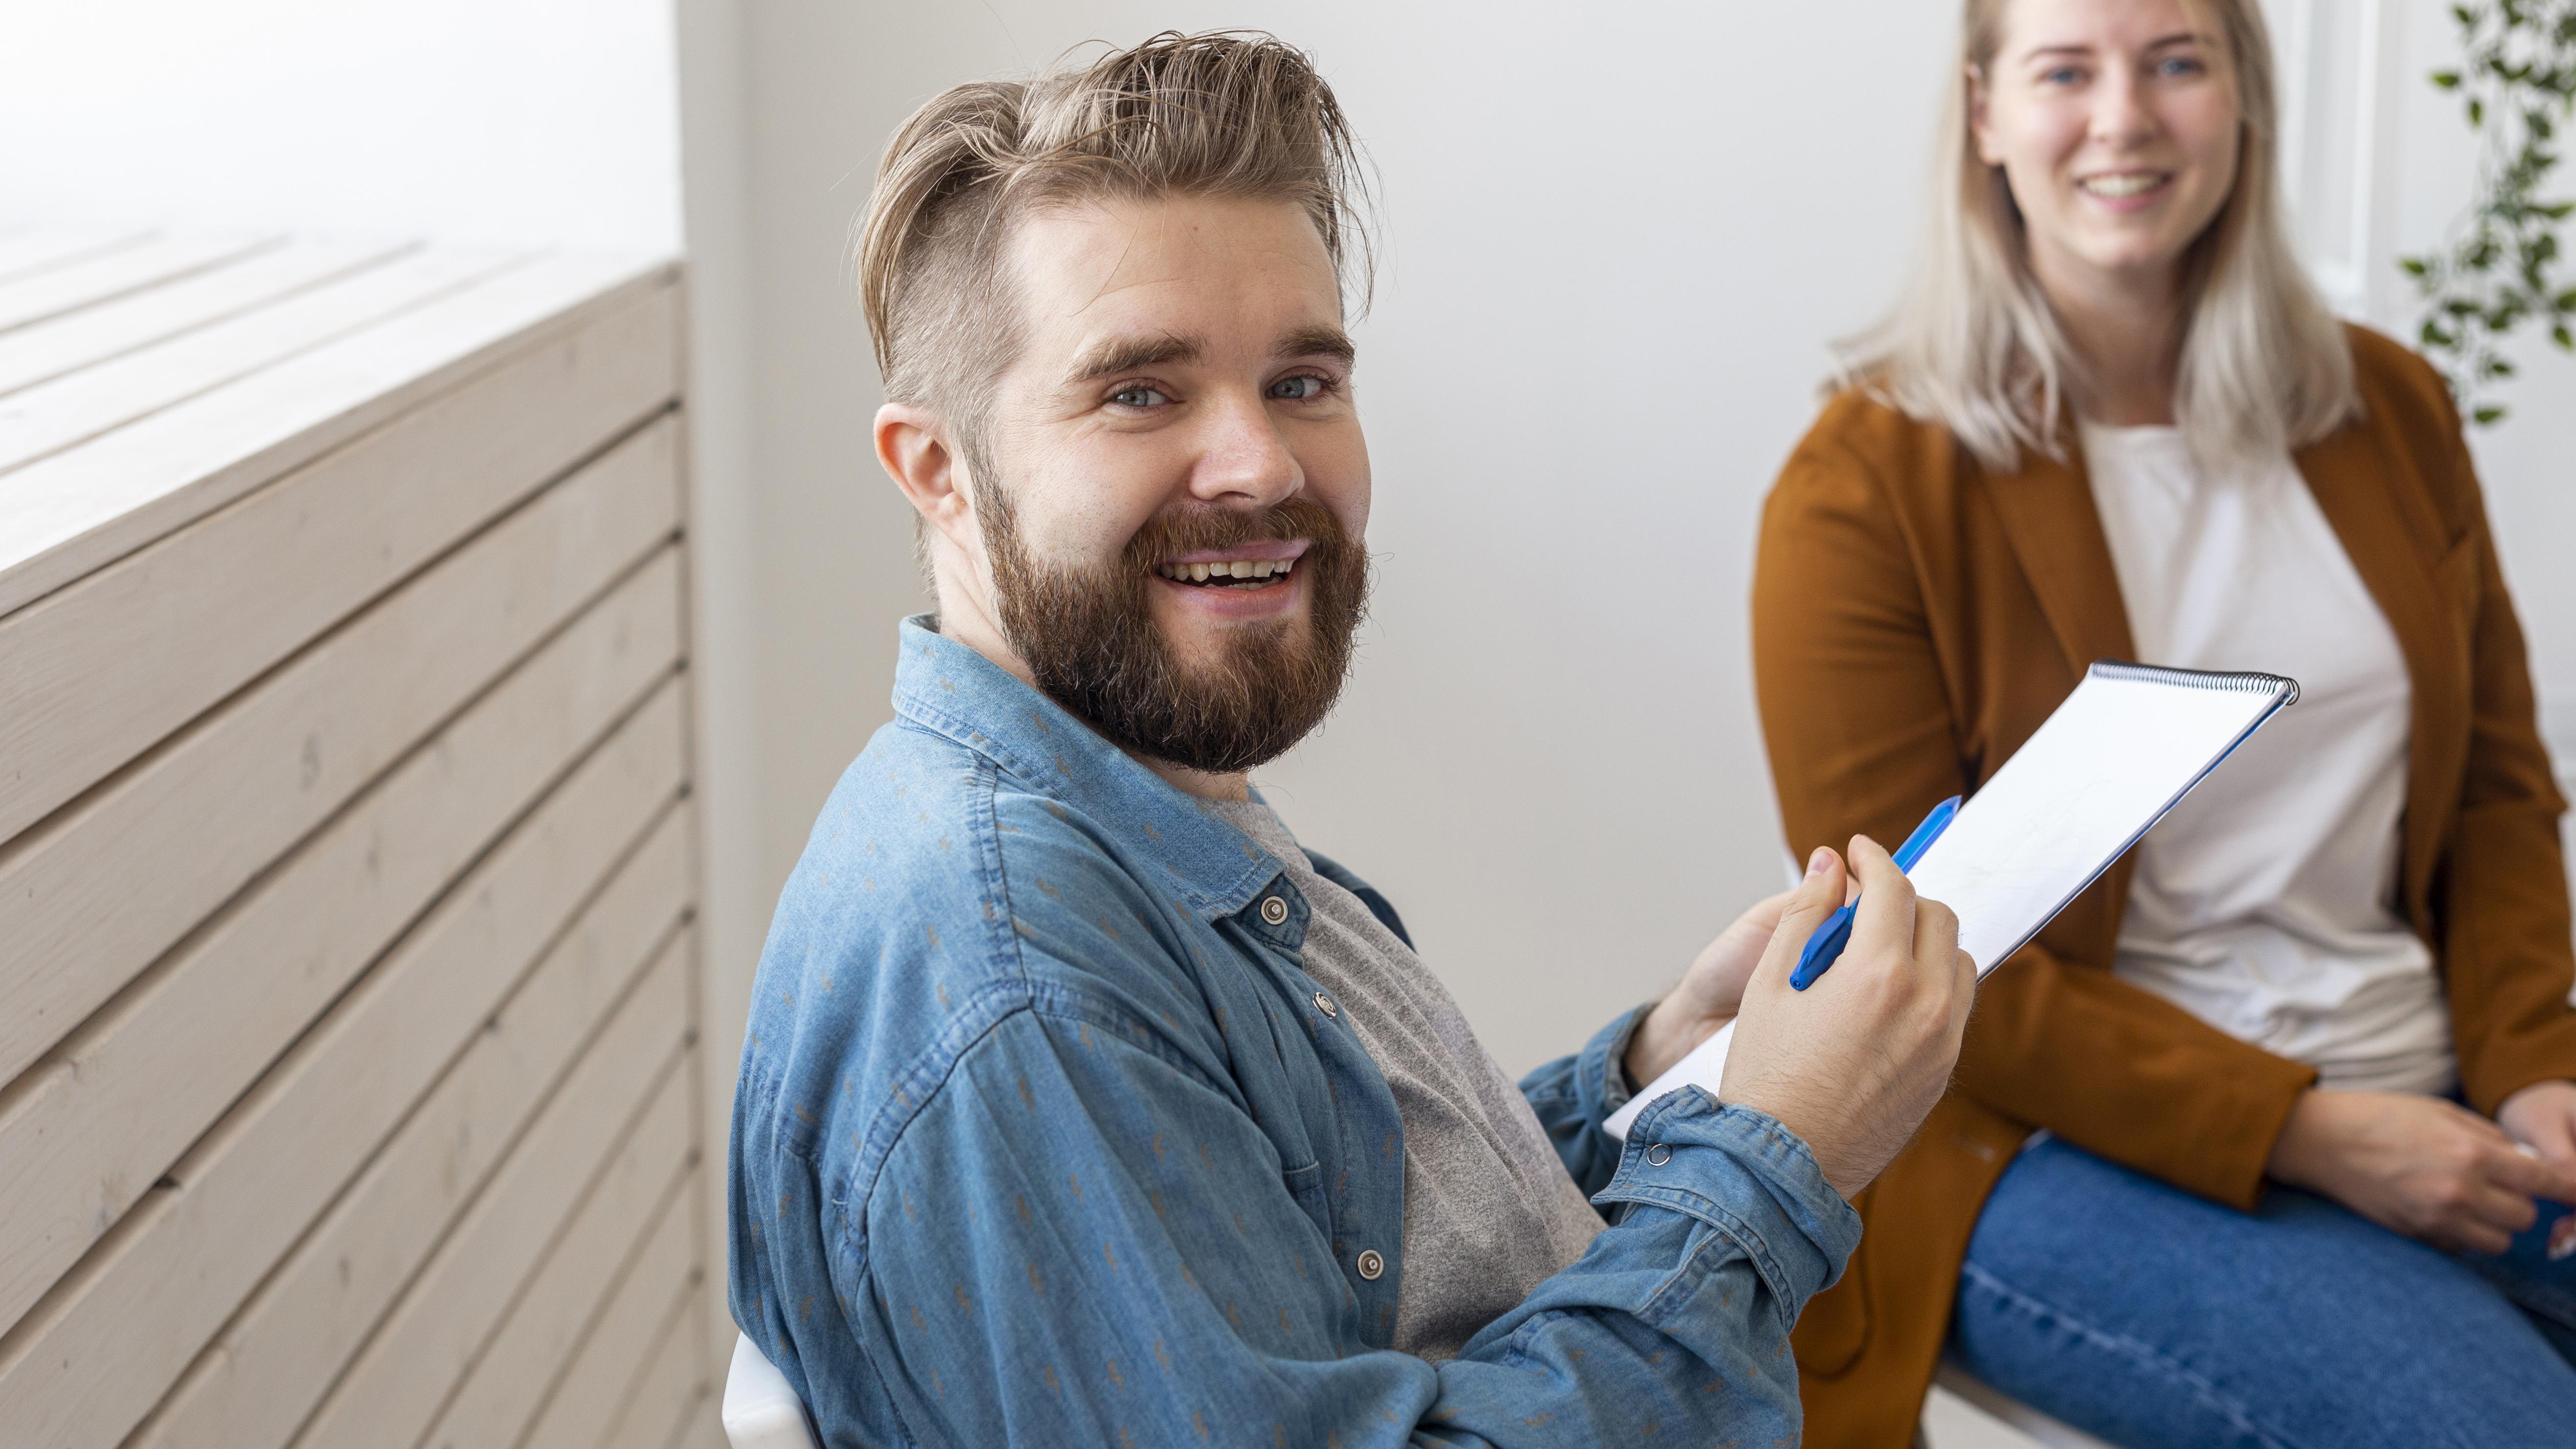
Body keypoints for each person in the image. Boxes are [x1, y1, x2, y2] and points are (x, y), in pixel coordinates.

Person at [727, 31, 1975, 1449]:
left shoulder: (1136, 798)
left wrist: (1650, 1080)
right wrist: (1774, 1161)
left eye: (1302, 381)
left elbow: (1334, 1240)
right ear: (941, 472)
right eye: (1141, 391)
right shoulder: (1020, 986)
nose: (1259, 461)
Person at [1752, 0, 2576, 1445]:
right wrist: (2310, 1129)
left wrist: (2535, 1067)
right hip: (2049, 1140)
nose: (2122, 117)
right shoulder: (1864, 483)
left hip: (2436, 1074)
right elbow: (1894, 946)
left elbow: (2498, 793)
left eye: (2175, 61)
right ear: (1984, 114)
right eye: (2064, 70)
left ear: (2242, 98)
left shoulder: (2386, 407)